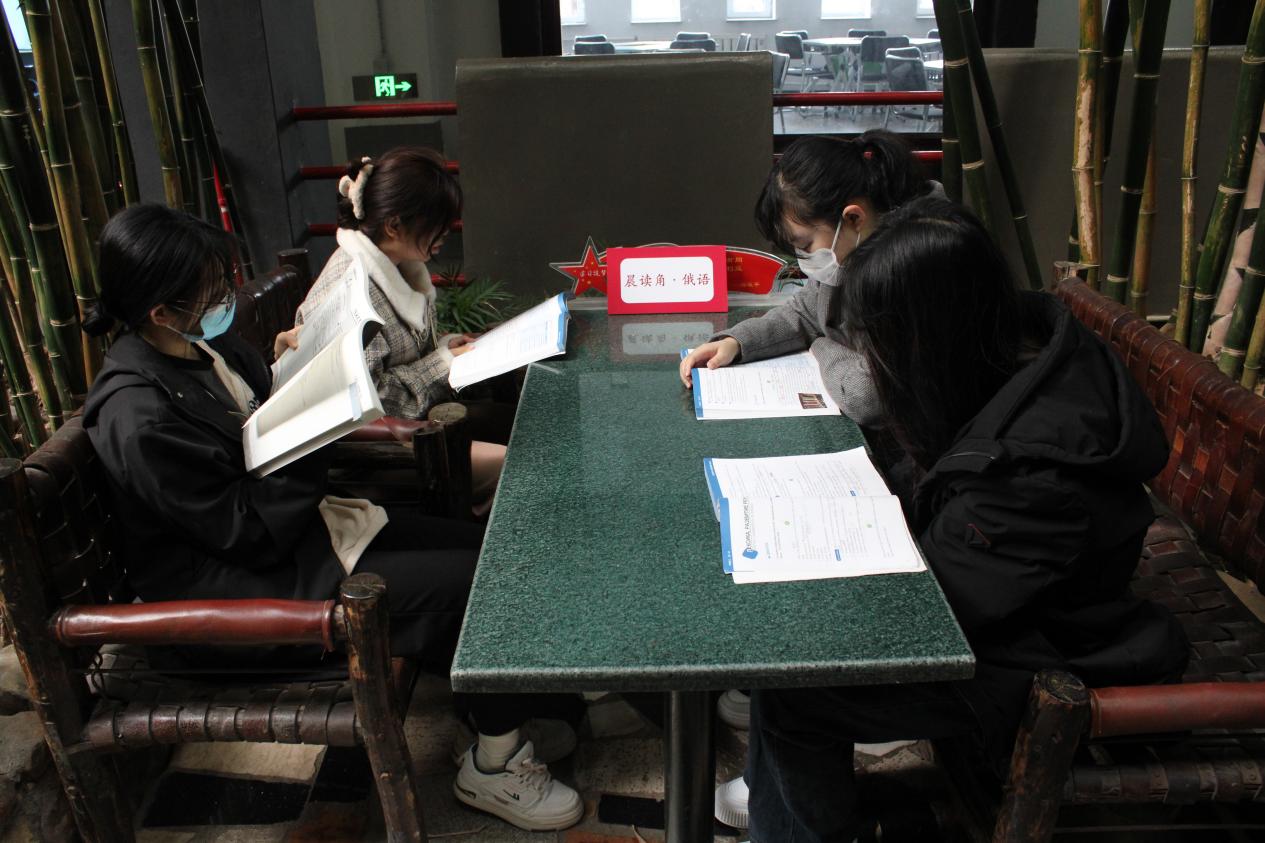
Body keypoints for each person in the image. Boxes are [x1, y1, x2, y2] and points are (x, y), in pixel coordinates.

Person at [82, 204, 583, 832]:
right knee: (476, 588)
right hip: (239, 590)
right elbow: (243, 532)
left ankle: (488, 719)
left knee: (493, 550)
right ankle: (494, 766)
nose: (224, 301)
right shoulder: (139, 415)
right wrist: (319, 435)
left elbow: (258, 417)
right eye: (210, 293)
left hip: (300, 534)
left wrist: (294, 378)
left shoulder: (198, 345)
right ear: (159, 311)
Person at [726, 197, 1189, 842]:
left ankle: (797, 823)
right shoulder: (1002, 348)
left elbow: (928, 618)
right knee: (789, 668)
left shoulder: (1032, 475)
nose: (875, 360)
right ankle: (782, 806)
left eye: (881, 342)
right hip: (1016, 594)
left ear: (930, 337)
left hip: (1039, 649)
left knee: (796, 689)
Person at [285, 146, 508, 505]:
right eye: (438, 223)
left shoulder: (394, 265)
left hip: (420, 426)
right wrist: (443, 363)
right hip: (372, 457)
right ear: (394, 225)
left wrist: (445, 348)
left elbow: (402, 355)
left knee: (521, 427)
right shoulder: (351, 293)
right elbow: (370, 401)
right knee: (513, 462)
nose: (446, 232)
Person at [678, 130, 935, 427]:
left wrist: (820, 346)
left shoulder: (917, 263)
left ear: (853, 218)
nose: (804, 258)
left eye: (806, 244)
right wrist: (737, 342)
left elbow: (867, 397)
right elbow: (806, 310)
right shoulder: (854, 248)